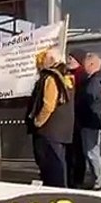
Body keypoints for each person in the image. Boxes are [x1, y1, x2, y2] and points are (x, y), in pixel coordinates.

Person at [26, 48, 75, 187]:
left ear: (52, 60)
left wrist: (38, 122)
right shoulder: (66, 76)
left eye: (44, 59)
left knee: (52, 169)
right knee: (59, 167)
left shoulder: (51, 78)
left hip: (49, 130)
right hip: (62, 130)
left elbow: (48, 105)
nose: (40, 63)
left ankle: (54, 195)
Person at [76, 53, 101, 189]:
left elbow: (88, 99)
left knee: (92, 152)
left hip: (91, 122)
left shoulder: (95, 81)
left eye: (84, 65)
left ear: (91, 64)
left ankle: (98, 182)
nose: (83, 68)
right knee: (91, 152)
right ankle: (96, 179)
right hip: (92, 121)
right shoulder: (100, 78)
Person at [66, 49, 88, 188]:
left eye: (71, 58)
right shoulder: (70, 74)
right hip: (71, 118)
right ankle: (72, 177)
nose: (68, 60)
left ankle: (77, 179)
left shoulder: (81, 76)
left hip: (77, 118)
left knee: (77, 150)